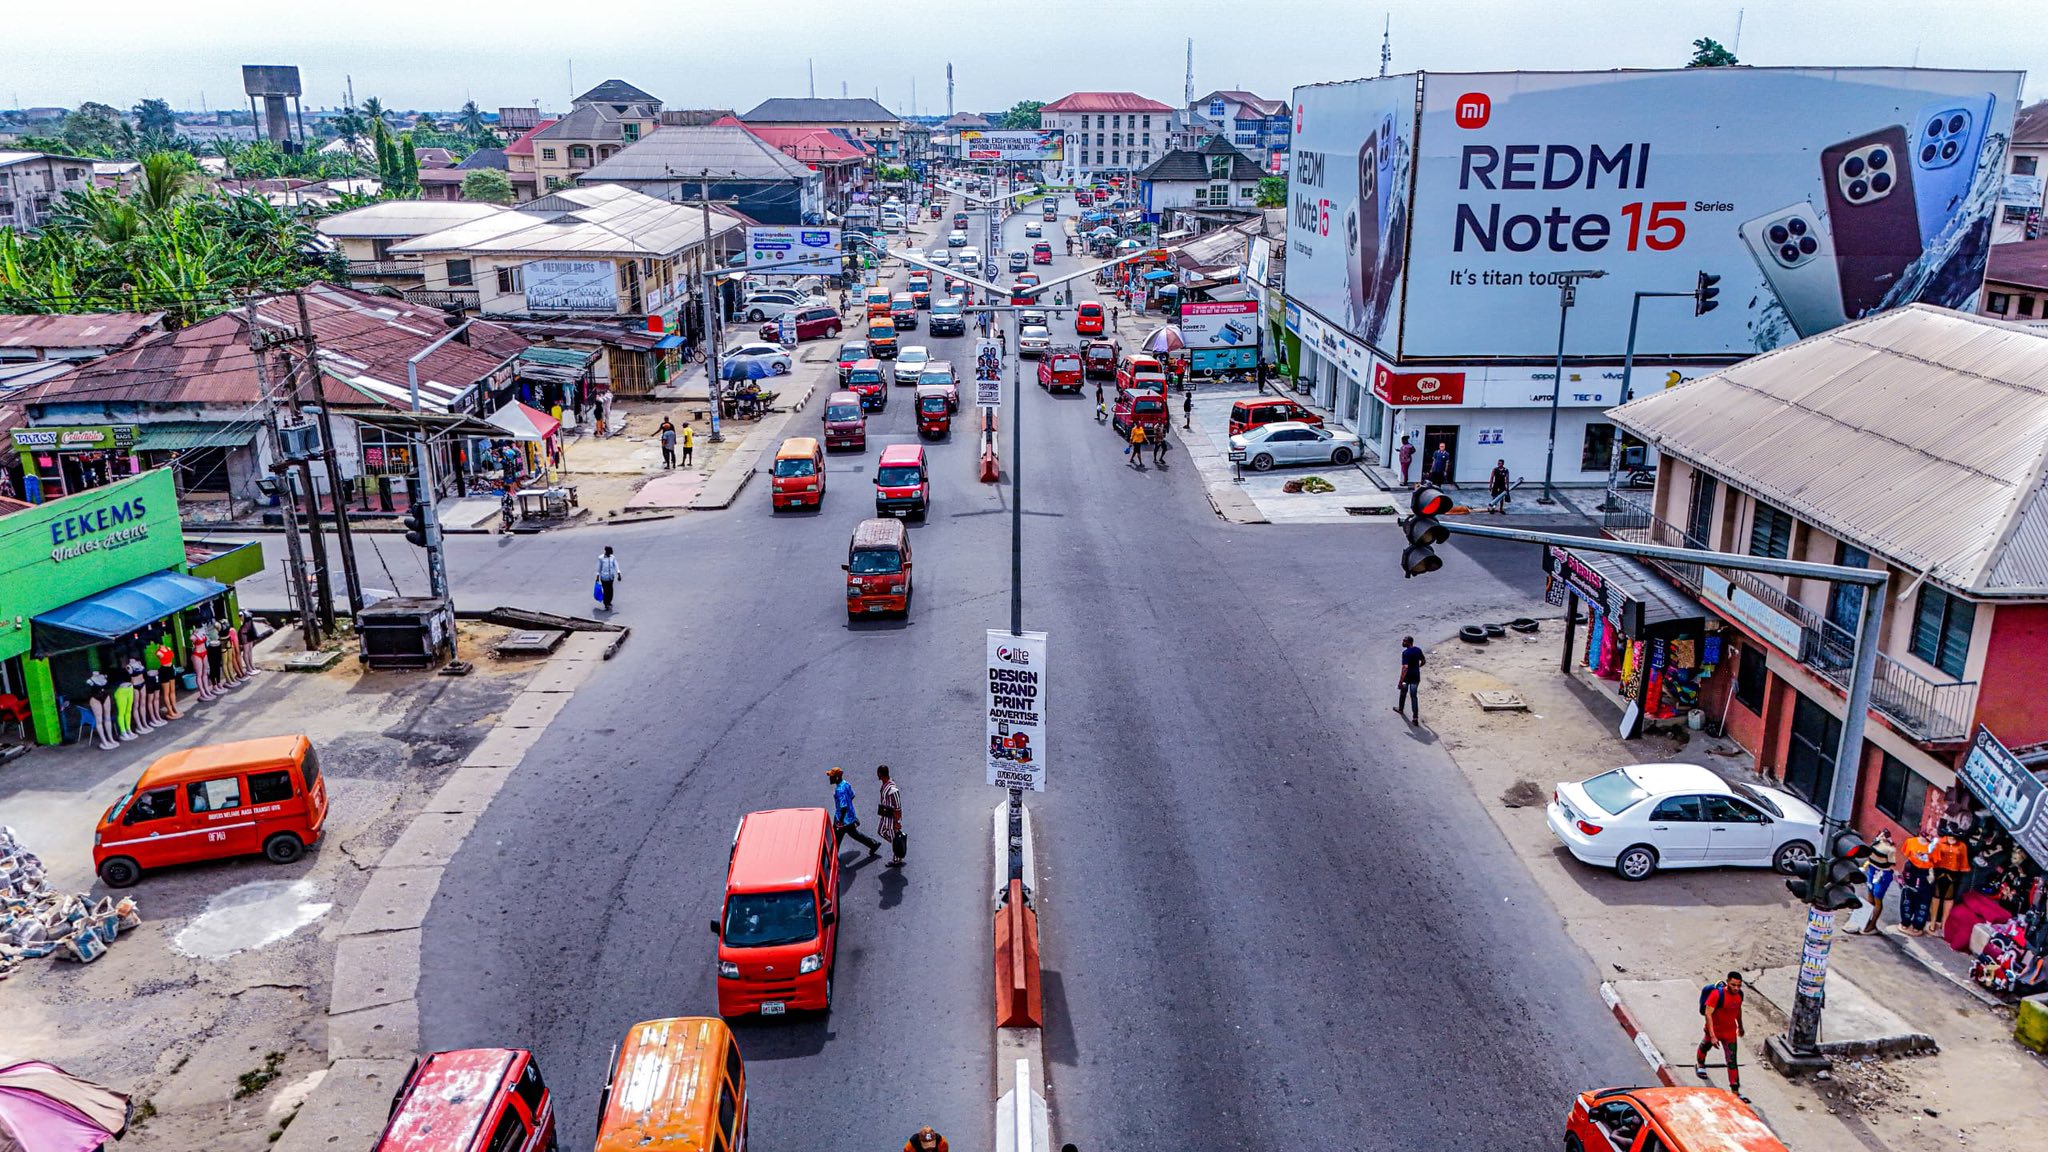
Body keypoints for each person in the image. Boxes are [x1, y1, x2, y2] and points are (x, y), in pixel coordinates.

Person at [1694, 971, 1746, 1100]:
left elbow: (1737, 1010)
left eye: (1739, 985)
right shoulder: (1717, 994)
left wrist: (1740, 1026)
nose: (1736, 988)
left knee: (1732, 1061)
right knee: (1705, 1046)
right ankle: (1700, 1064)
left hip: (1729, 1033)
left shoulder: (1739, 995)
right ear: (1727, 982)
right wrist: (1712, 1035)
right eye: (1733, 985)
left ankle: (1735, 1091)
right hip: (1714, 1031)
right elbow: (1708, 1014)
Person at [1928, 824, 1971, 936]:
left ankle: (1944, 923)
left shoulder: (1962, 846)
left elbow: (1964, 862)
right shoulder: (1939, 842)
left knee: (1949, 898)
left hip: (1953, 873)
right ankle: (1932, 922)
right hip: (1939, 870)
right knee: (1936, 896)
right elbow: (1932, 856)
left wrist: (1962, 870)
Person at [827, 767, 882, 855]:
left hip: (842, 820)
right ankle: (873, 844)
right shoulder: (846, 784)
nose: (830, 778)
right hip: (850, 816)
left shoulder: (839, 791)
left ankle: (832, 859)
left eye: (831, 776)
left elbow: (843, 807)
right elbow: (852, 796)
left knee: (836, 839)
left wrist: (840, 821)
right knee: (854, 834)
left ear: (837, 777)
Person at [1897, 833, 1934, 935]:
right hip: (1911, 871)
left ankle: (1918, 925)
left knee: (1923, 901)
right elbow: (1906, 856)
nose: (1930, 831)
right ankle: (1905, 921)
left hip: (1926, 874)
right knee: (1907, 898)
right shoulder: (1911, 841)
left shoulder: (1935, 847)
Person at [876, 765, 905, 868]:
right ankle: (896, 844)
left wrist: (897, 823)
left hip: (892, 820)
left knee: (894, 837)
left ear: (880, 774)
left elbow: (897, 808)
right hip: (885, 816)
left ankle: (897, 859)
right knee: (881, 831)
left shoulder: (893, 789)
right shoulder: (884, 784)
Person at [1395, 635, 1424, 723]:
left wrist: (1400, 681)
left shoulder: (1406, 653)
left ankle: (1400, 709)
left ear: (1408, 642)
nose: (1402, 642)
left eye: (1404, 641)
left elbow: (1405, 668)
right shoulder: (1418, 650)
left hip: (1406, 678)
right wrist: (1417, 667)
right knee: (1414, 696)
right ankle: (1415, 718)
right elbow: (1423, 661)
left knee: (1403, 693)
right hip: (1415, 677)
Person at [595, 546, 621, 611]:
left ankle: (609, 602)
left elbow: (616, 565)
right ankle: (606, 604)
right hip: (604, 578)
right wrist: (597, 577)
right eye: (611, 550)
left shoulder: (613, 557)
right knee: (606, 591)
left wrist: (618, 573)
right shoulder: (601, 558)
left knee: (611, 591)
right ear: (607, 551)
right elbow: (599, 568)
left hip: (611, 577)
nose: (612, 551)